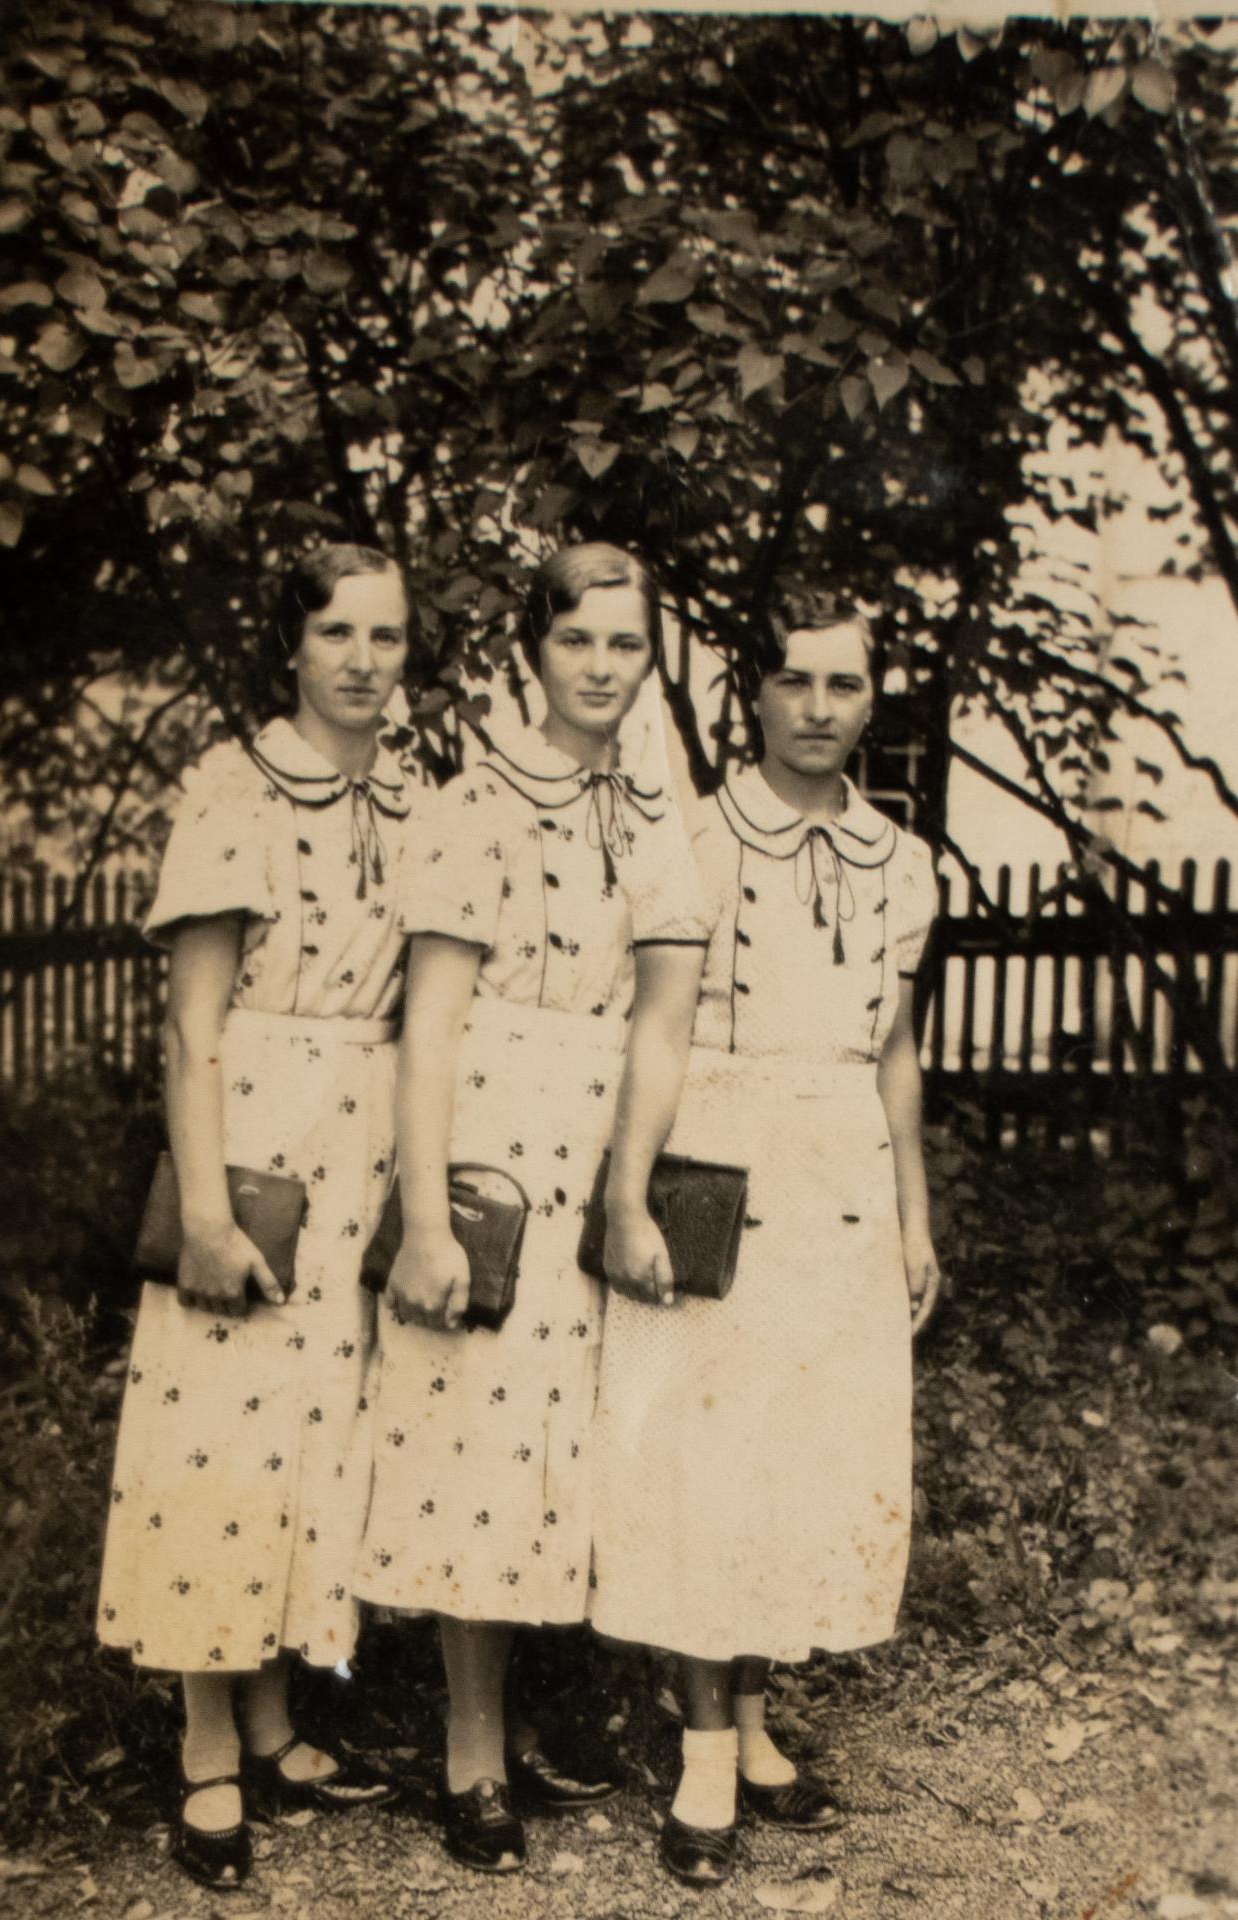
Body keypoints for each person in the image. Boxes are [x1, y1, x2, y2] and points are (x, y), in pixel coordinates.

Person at [355, 544, 710, 1873]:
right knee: (479, 1444)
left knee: (588, 1447)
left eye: (627, 645)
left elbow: (663, 1022)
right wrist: (428, 1218)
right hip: (489, 1143)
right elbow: (431, 1028)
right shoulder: (474, 805)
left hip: (604, 1137)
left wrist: (629, 1193)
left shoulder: (657, 816)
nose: (602, 669)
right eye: (577, 642)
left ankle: (552, 1715)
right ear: (533, 652)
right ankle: (470, 1749)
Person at [591, 589, 942, 1887]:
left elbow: (895, 1052)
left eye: (843, 685)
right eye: (794, 680)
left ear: (872, 701)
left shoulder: (903, 862)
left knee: (796, 1458)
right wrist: (629, 1193)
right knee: (705, 1459)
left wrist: (914, 1213)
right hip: (719, 1169)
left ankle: (749, 1720)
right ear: (755, 692)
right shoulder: (697, 838)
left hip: (841, 1176)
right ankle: (699, 1752)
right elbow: (655, 1030)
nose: (817, 708)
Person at [97, 544, 419, 1889]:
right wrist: (208, 1211)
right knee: (217, 1436)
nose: (362, 660)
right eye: (336, 632)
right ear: (291, 645)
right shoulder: (234, 792)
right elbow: (192, 1029)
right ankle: (207, 1747)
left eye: (387, 636)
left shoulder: (409, 796)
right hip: (253, 1145)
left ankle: (279, 1718)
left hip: (363, 1148)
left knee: (315, 1437)